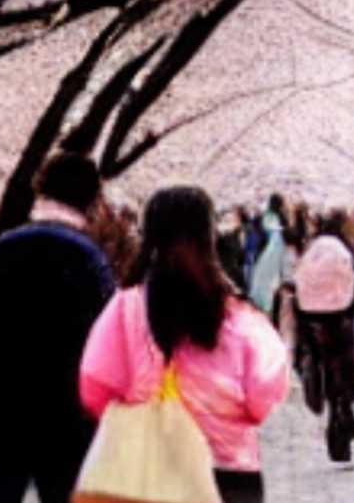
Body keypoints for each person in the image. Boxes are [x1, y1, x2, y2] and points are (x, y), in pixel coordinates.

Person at [79, 186, 289, 503]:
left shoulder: (126, 307)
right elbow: (265, 391)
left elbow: (95, 384)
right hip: (229, 469)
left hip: (147, 470)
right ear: (208, 235)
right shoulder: (236, 314)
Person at [0, 152, 115, 503]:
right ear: (91, 200)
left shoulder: (4, 249)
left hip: (1, 406)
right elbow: (103, 345)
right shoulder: (90, 259)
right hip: (66, 413)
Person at [293, 213, 354, 466]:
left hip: (311, 317)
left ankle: (333, 406)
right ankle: (341, 418)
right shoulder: (342, 250)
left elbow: (298, 282)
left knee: (324, 364)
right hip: (339, 316)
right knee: (342, 368)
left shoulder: (312, 250)